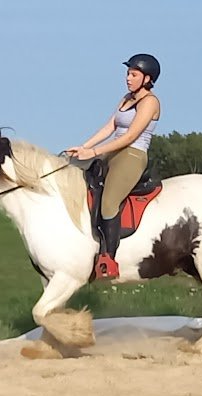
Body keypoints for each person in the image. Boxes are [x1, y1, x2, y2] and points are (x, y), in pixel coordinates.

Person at [66, 53, 161, 278]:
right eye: (128, 73)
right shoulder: (126, 98)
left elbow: (130, 137)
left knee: (109, 202)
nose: (128, 78)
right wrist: (83, 148)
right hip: (113, 152)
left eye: (133, 74)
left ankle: (109, 259)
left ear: (147, 78)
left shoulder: (151, 102)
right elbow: (110, 127)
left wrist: (95, 151)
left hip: (132, 155)